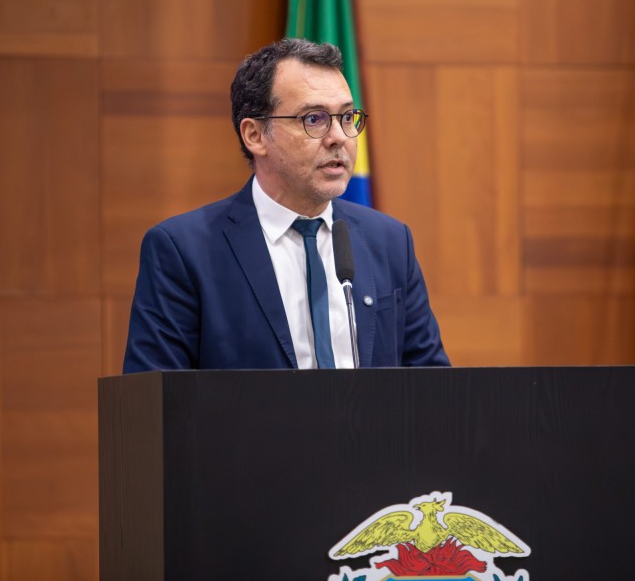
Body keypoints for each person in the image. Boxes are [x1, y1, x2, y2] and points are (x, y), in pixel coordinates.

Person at [123, 38, 449, 371]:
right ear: (255, 135)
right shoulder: (185, 251)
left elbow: (435, 386)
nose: (339, 137)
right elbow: (155, 394)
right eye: (314, 119)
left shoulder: (390, 242)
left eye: (347, 116)